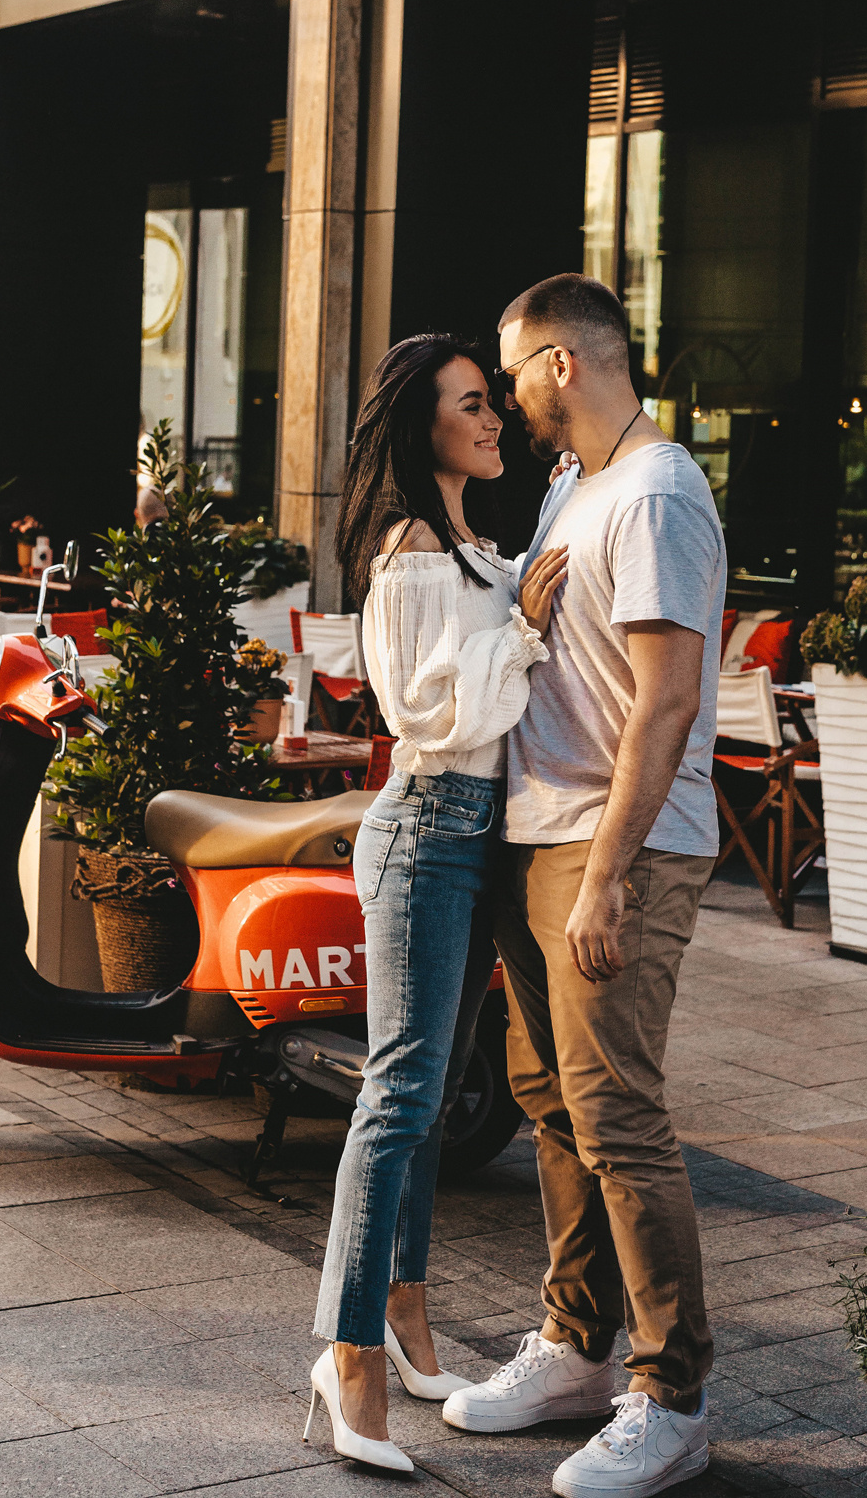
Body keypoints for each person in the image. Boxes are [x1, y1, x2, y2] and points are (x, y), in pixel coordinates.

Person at [442, 274, 727, 1498]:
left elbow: (667, 699)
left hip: (617, 842)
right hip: (536, 825)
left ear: (562, 360)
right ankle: (574, 1345)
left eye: (513, 371)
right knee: (546, 1092)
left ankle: (674, 1394)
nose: (506, 396)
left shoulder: (658, 491)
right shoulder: (572, 483)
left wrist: (607, 875)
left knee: (618, 1112)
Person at [306, 332, 569, 1473]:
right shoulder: (412, 550)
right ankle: (349, 1348)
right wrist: (522, 627)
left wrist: (520, 604)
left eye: (493, 403)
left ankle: (407, 1315)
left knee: (428, 1092)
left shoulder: (471, 543)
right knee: (399, 1096)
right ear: (426, 426)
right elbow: (432, 713)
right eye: (473, 404)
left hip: (474, 839)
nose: (494, 419)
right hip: (424, 830)